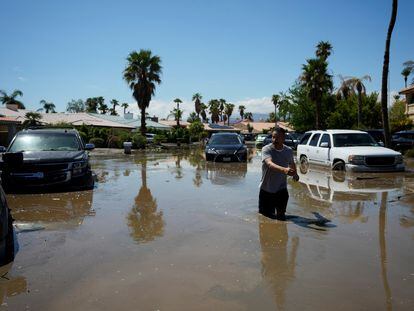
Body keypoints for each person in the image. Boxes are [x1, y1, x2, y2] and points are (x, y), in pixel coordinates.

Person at [259, 128, 299, 220]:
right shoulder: (266, 149)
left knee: (281, 217)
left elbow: (292, 163)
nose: (274, 140)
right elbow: (269, 164)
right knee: (265, 218)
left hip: (281, 189)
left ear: (283, 138)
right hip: (267, 189)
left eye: (277, 138)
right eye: (273, 137)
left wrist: (295, 174)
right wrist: (284, 170)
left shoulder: (288, 150)